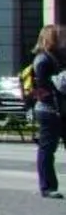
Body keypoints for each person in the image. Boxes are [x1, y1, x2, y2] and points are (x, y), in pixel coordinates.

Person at [33, 26, 65, 199]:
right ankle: (47, 186)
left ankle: (48, 186)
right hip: (49, 109)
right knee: (47, 148)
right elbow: (44, 87)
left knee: (48, 148)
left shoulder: (58, 57)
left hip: (61, 108)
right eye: (60, 36)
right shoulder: (43, 60)